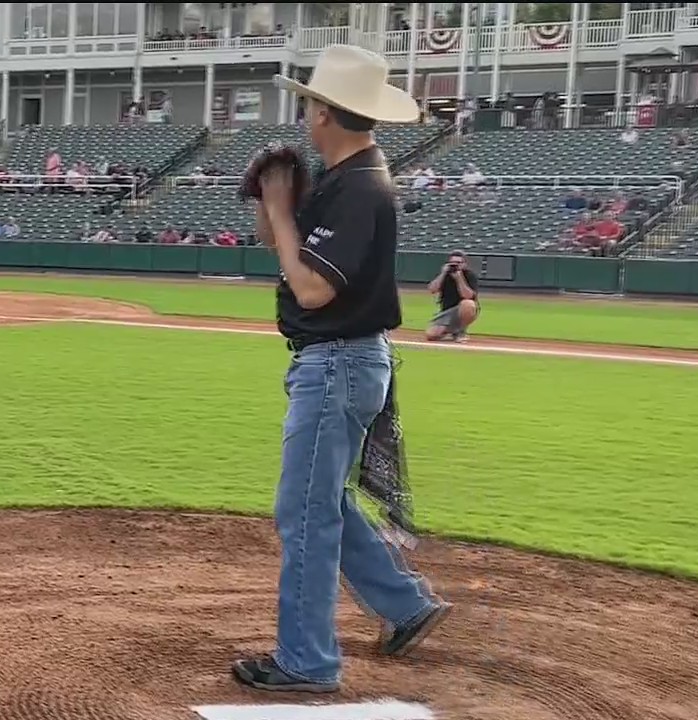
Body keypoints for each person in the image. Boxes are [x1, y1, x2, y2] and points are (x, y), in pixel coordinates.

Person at [232, 44, 448, 695]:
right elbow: (281, 246)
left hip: (338, 363)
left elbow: (312, 290)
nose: (304, 113)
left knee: (301, 510)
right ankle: (405, 604)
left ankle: (306, 661)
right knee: (320, 502)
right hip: (338, 363)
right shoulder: (341, 178)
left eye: (309, 102)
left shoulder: (359, 188)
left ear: (325, 110)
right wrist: (273, 201)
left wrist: (276, 205)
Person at [425, 251, 480, 342]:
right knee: (431, 335)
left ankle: (461, 332)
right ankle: (451, 332)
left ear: (464, 264)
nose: (455, 265)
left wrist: (459, 278)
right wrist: (443, 274)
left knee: (468, 304)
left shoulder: (469, 275)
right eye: (452, 263)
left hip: (463, 308)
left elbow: (468, 296)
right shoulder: (445, 275)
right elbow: (432, 290)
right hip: (447, 311)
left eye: (458, 263)